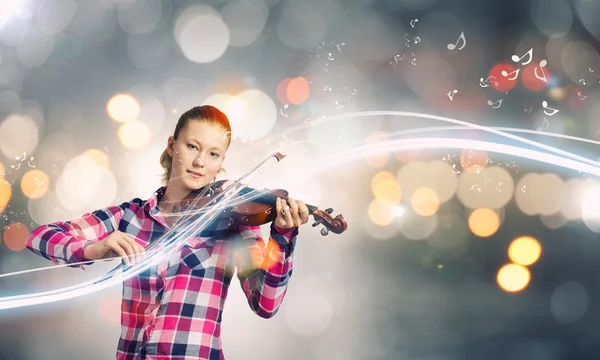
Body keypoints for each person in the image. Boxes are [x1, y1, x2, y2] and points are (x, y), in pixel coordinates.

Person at [26, 105, 310, 360]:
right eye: (192, 146)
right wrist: (95, 248)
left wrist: (282, 237)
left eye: (213, 154)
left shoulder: (233, 224)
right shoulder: (131, 216)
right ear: (173, 145)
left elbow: (266, 304)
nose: (200, 162)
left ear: (220, 162)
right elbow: (40, 237)